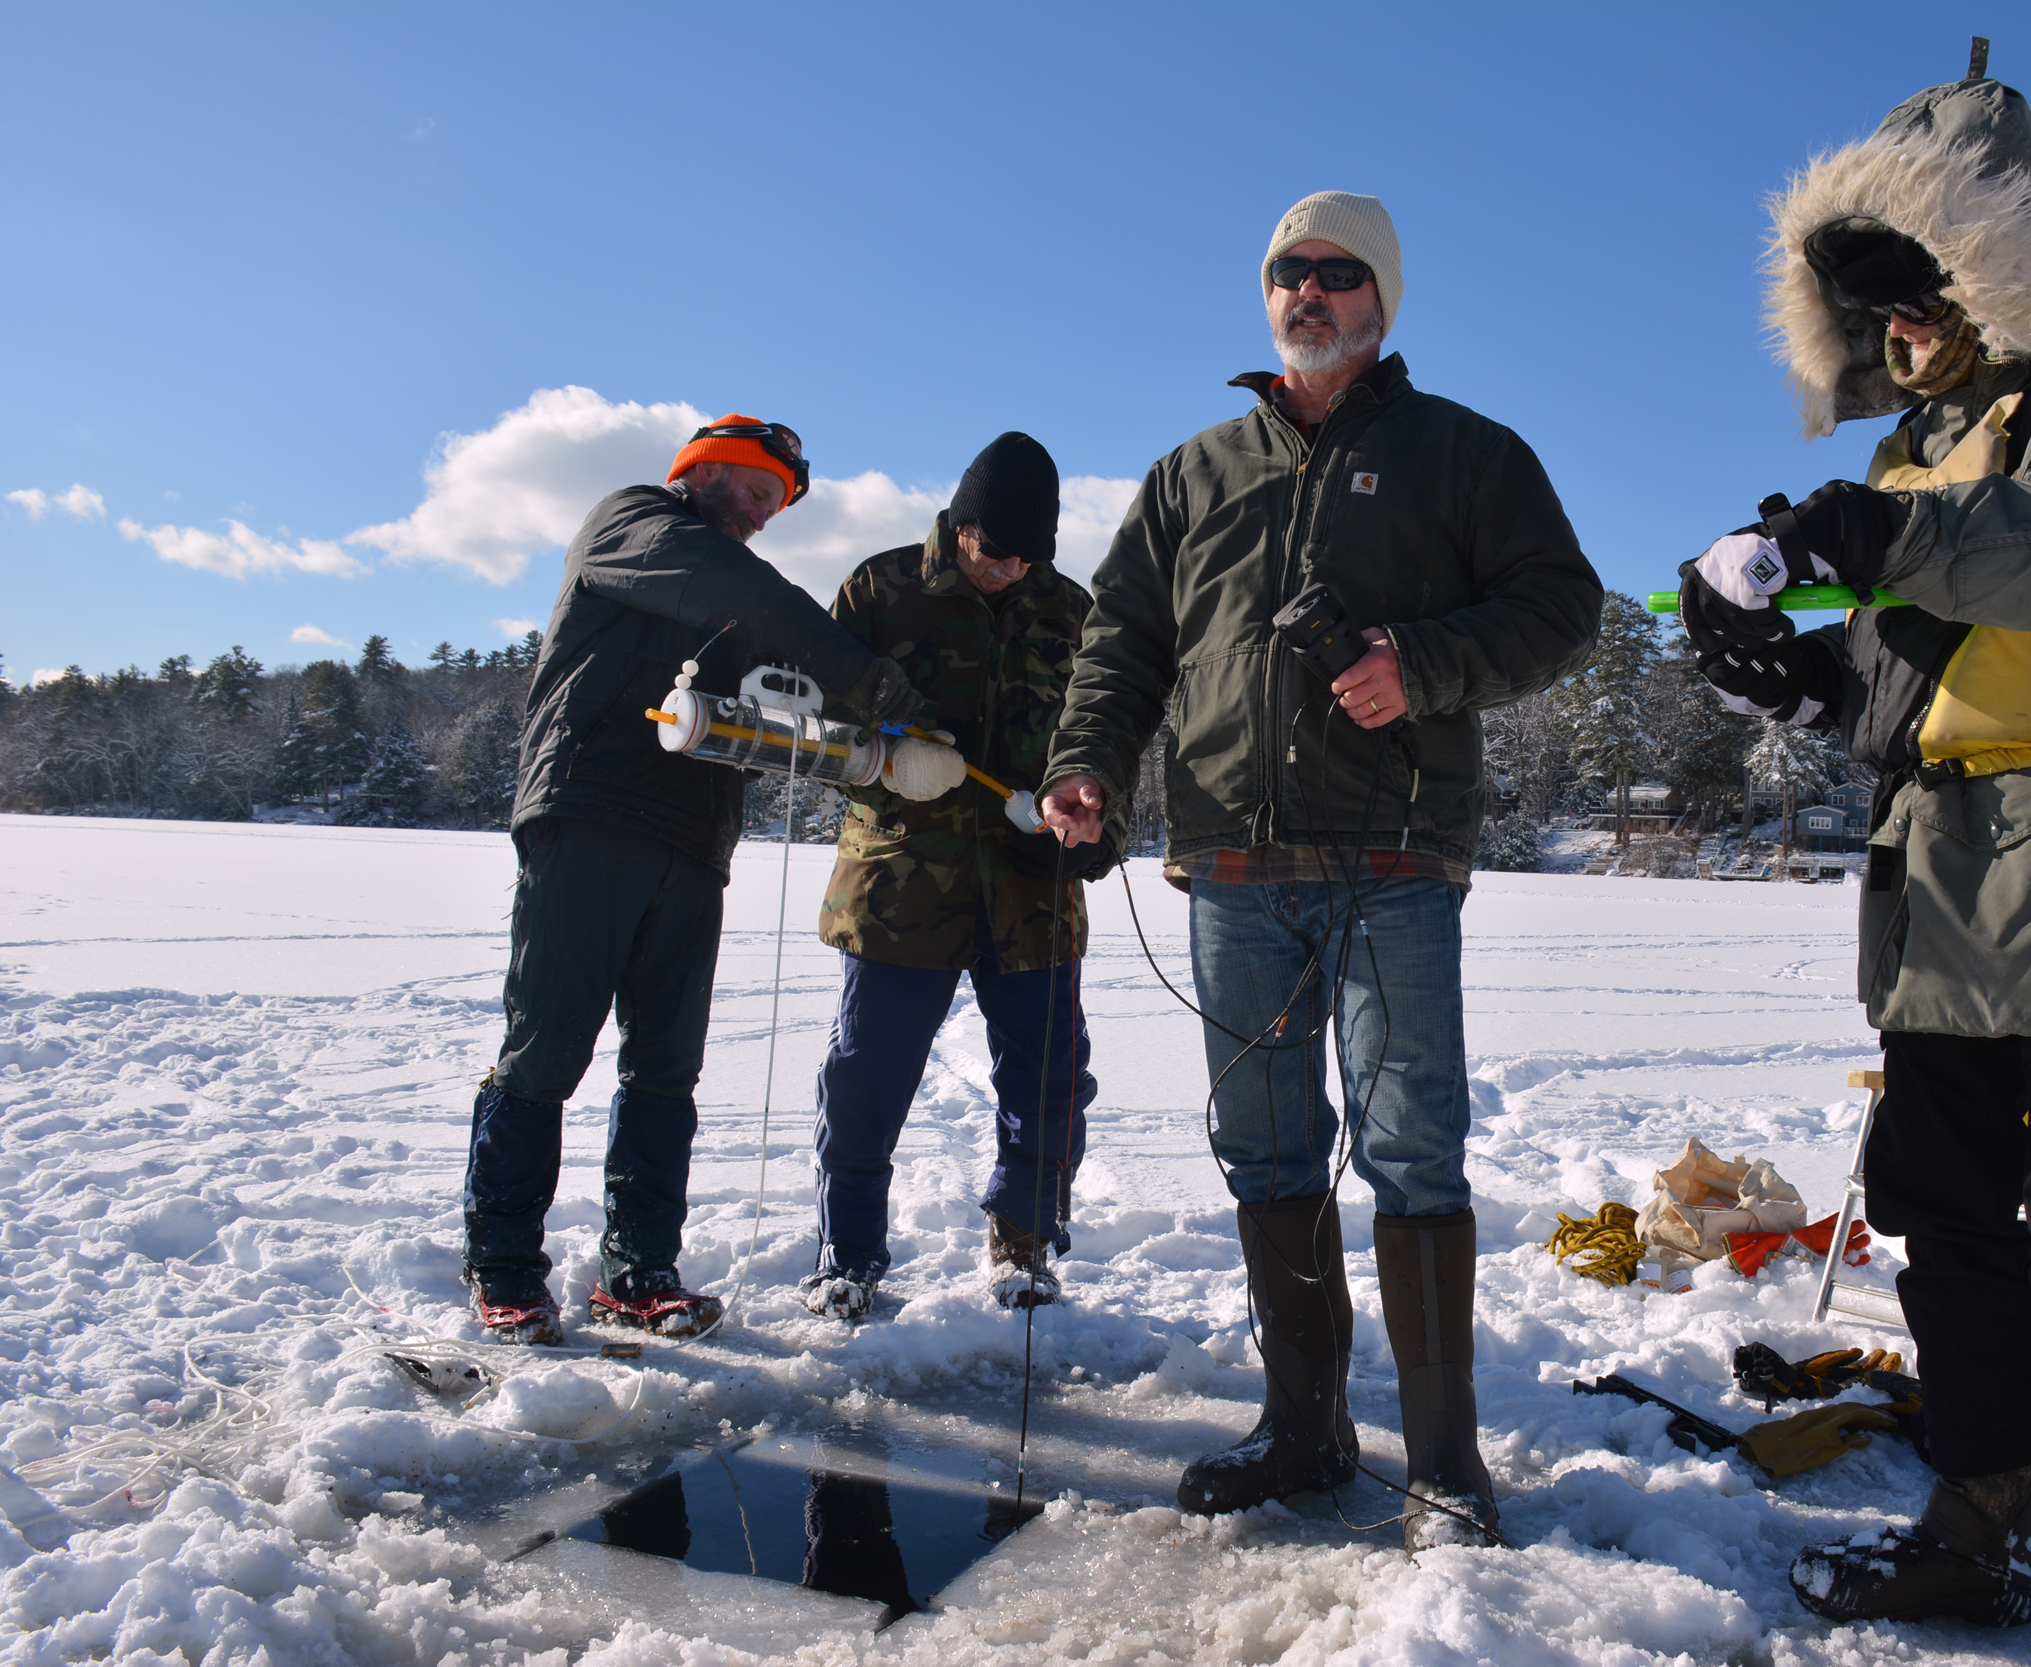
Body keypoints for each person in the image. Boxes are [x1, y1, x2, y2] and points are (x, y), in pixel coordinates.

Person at [1678, 46, 2031, 1667]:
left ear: (1989, 258)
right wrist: (1788, 660)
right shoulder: (1919, 443)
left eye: (1916, 294)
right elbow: (1917, 675)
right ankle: (1978, 1516)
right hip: (1941, 916)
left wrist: (1861, 539)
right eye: (1873, 313)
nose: (1898, 335)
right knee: (1954, 1235)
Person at [1038, 192, 1601, 1550]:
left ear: (1383, 297)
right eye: (1291, 273)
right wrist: (1088, 762)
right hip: (1231, 864)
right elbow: (1123, 640)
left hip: (1395, 858)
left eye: (1340, 275)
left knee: (1412, 1149)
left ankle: (1445, 1464)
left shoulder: (1465, 454)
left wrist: (1421, 665)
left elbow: (1560, 607)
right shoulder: (1198, 470)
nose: (1311, 292)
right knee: (1265, 1146)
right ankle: (1305, 1430)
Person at [464, 416, 957, 1345]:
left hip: (692, 841)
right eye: (759, 493)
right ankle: (504, 1266)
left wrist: (875, 742)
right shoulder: (633, 525)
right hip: (589, 814)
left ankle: (639, 1271)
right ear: (708, 469)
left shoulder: (730, 597)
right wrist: (868, 679)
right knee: (546, 1049)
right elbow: (744, 590)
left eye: (777, 505)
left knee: (666, 1066)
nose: (765, 516)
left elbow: (772, 708)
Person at [804, 432, 1118, 1322]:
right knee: (867, 1073)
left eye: (1030, 556)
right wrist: (883, 762)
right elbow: (817, 734)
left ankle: (1023, 1240)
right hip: (902, 885)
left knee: (1049, 1079)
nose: (1012, 571)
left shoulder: (1074, 612)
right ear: (960, 526)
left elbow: (1113, 748)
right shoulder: (880, 588)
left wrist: (1091, 837)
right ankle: (848, 1254)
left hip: (1032, 893)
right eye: (996, 552)